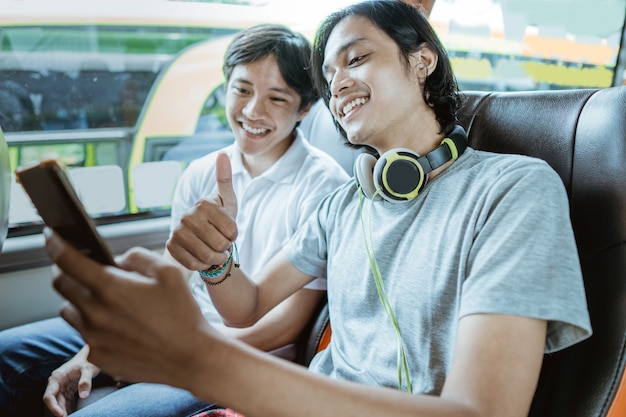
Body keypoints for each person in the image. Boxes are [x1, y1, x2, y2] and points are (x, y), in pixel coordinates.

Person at [47, 1, 592, 417]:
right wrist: (217, 259)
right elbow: (248, 304)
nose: (340, 85)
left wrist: (199, 359)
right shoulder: (344, 203)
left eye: (357, 59)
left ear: (422, 60)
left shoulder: (514, 190)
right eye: (331, 77)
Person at [0, 24, 349, 417]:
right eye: (242, 90)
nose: (253, 111)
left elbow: (286, 326)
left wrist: (172, 351)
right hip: (173, 330)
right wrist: (95, 349)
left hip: (239, 356)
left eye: (277, 98)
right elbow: (171, 274)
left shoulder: (325, 186)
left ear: (305, 108)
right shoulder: (201, 173)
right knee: (6, 354)